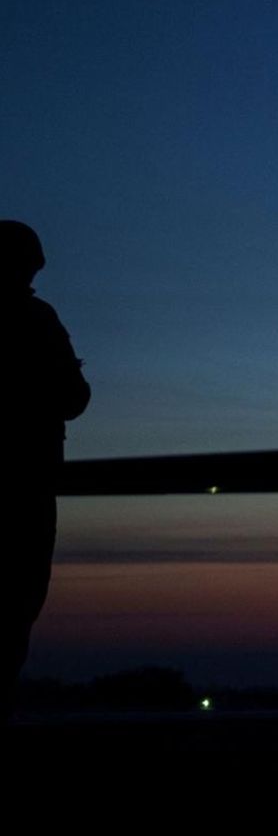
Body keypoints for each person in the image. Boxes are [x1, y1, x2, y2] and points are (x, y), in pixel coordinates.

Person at [1, 221, 90, 717]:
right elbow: (75, 398)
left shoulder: (38, 317)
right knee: (16, 609)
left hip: (30, 482)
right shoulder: (36, 319)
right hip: (29, 487)